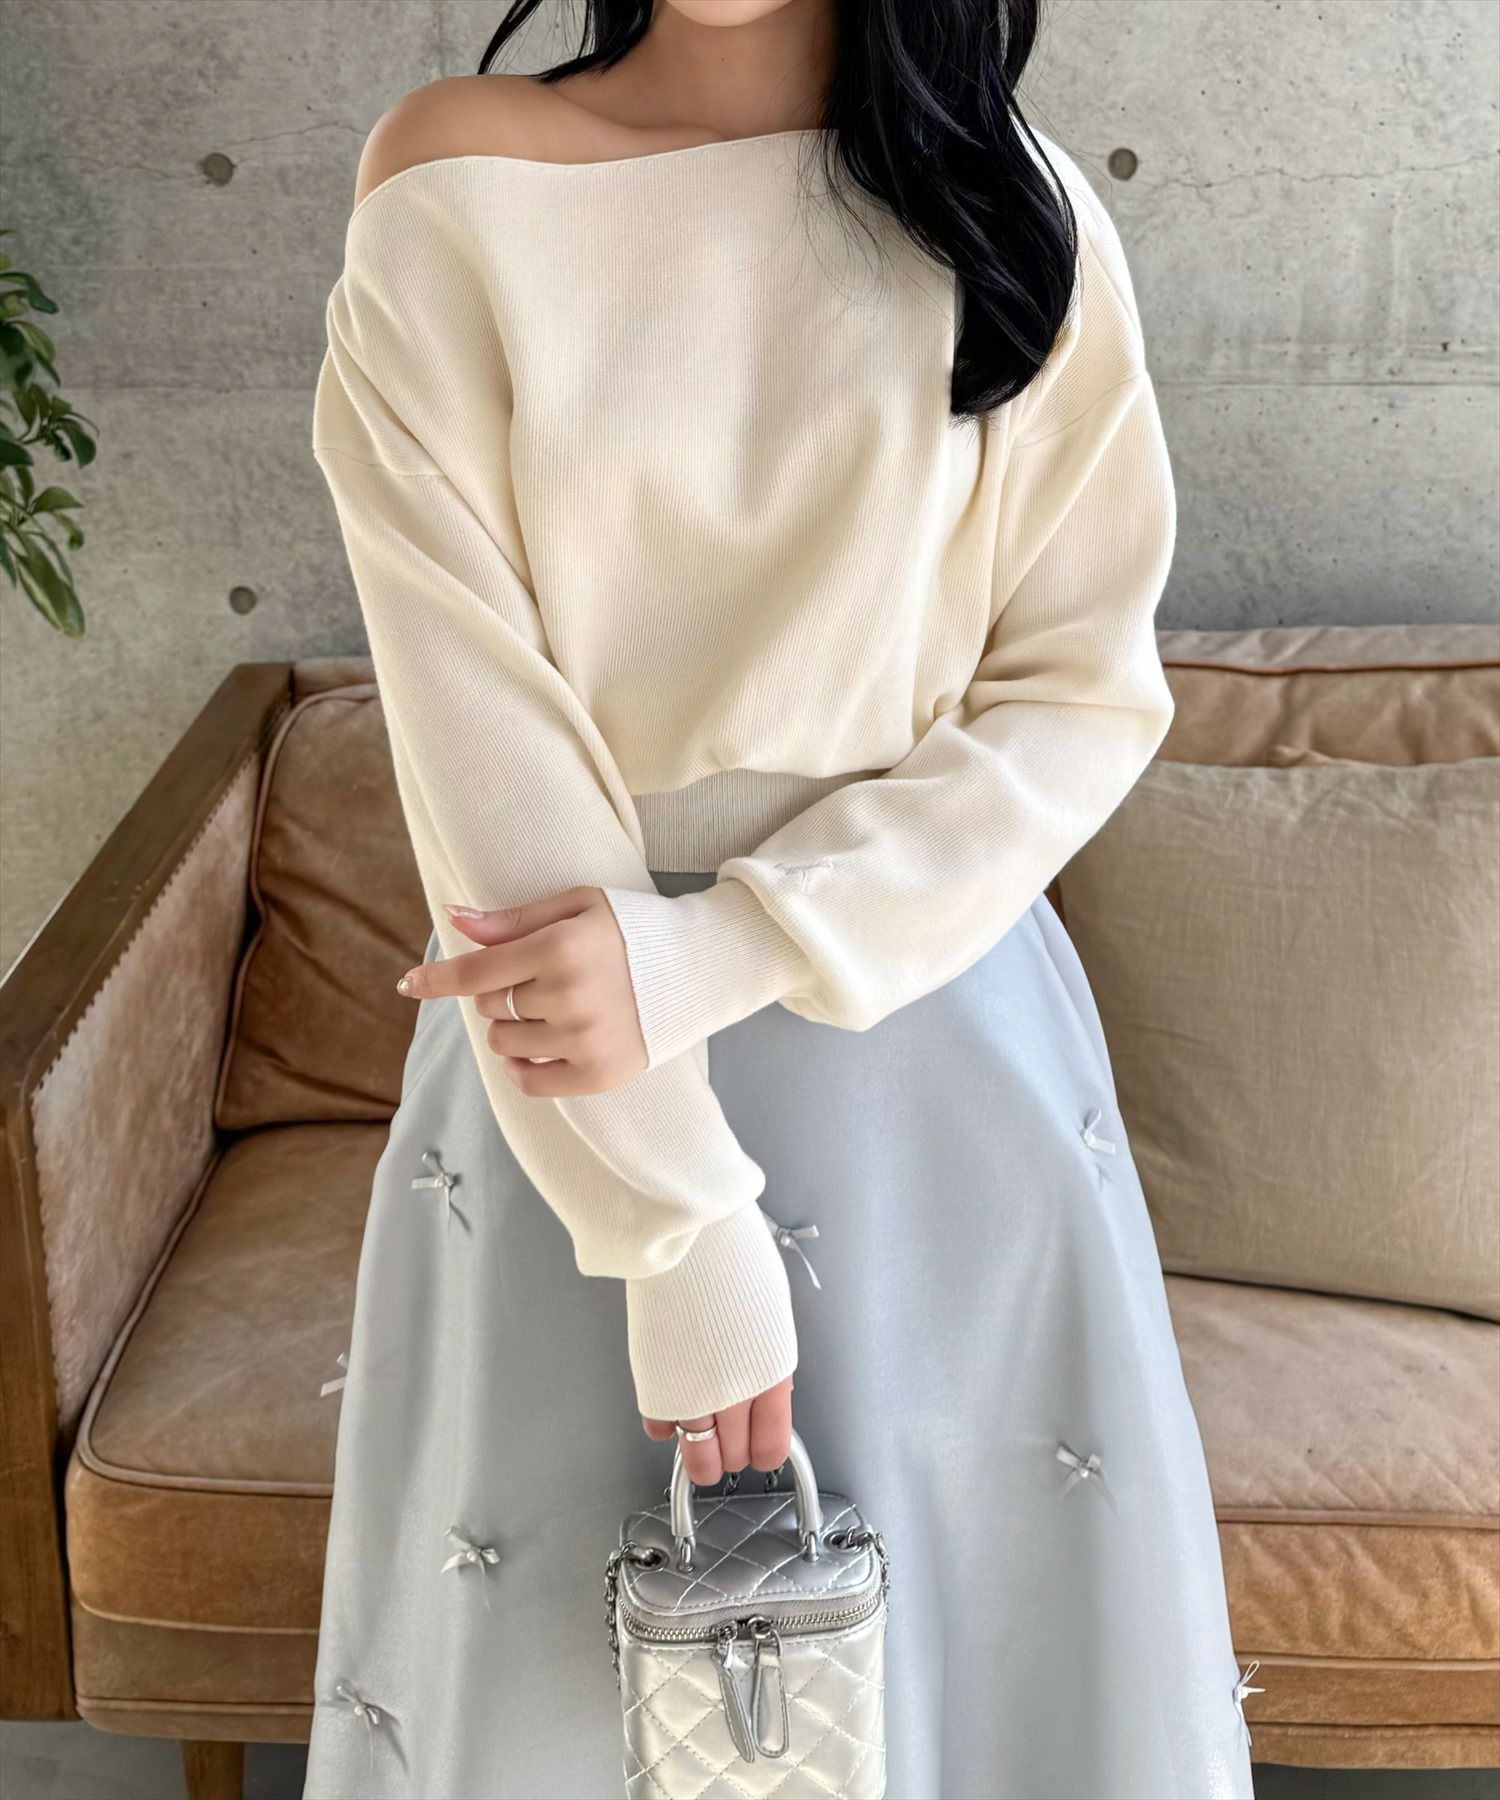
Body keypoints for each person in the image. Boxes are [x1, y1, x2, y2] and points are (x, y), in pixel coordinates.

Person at [300, 1, 1258, 1795]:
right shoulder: (448, 182)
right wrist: (676, 1228)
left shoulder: (1018, 211)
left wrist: (719, 947)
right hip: (571, 1078)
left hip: (931, 1057)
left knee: (973, 1688)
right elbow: (472, 729)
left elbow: (1078, 695)